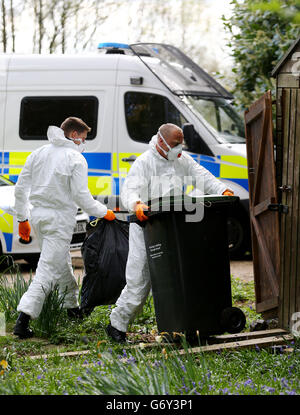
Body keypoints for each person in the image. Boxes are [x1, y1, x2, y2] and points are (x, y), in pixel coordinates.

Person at [106, 123, 234, 343]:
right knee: (139, 281)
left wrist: (221, 190)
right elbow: (130, 188)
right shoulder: (145, 162)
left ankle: (180, 324)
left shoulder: (181, 160)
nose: (179, 148)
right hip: (148, 226)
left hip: (174, 228)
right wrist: (136, 204)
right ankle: (116, 325)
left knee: (178, 277)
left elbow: (201, 175)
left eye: (181, 143)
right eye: (175, 144)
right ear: (161, 141)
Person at [13, 117, 115, 339]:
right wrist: (103, 211)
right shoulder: (75, 158)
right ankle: (23, 320)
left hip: (38, 216)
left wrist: (22, 219)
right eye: (84, 139)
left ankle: (72, 308)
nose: (84, 144)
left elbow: (20, 189)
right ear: (75, 136)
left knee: (60, 263)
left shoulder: (39, 153)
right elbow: (81, 196)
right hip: (59, 220)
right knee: (47, 270)